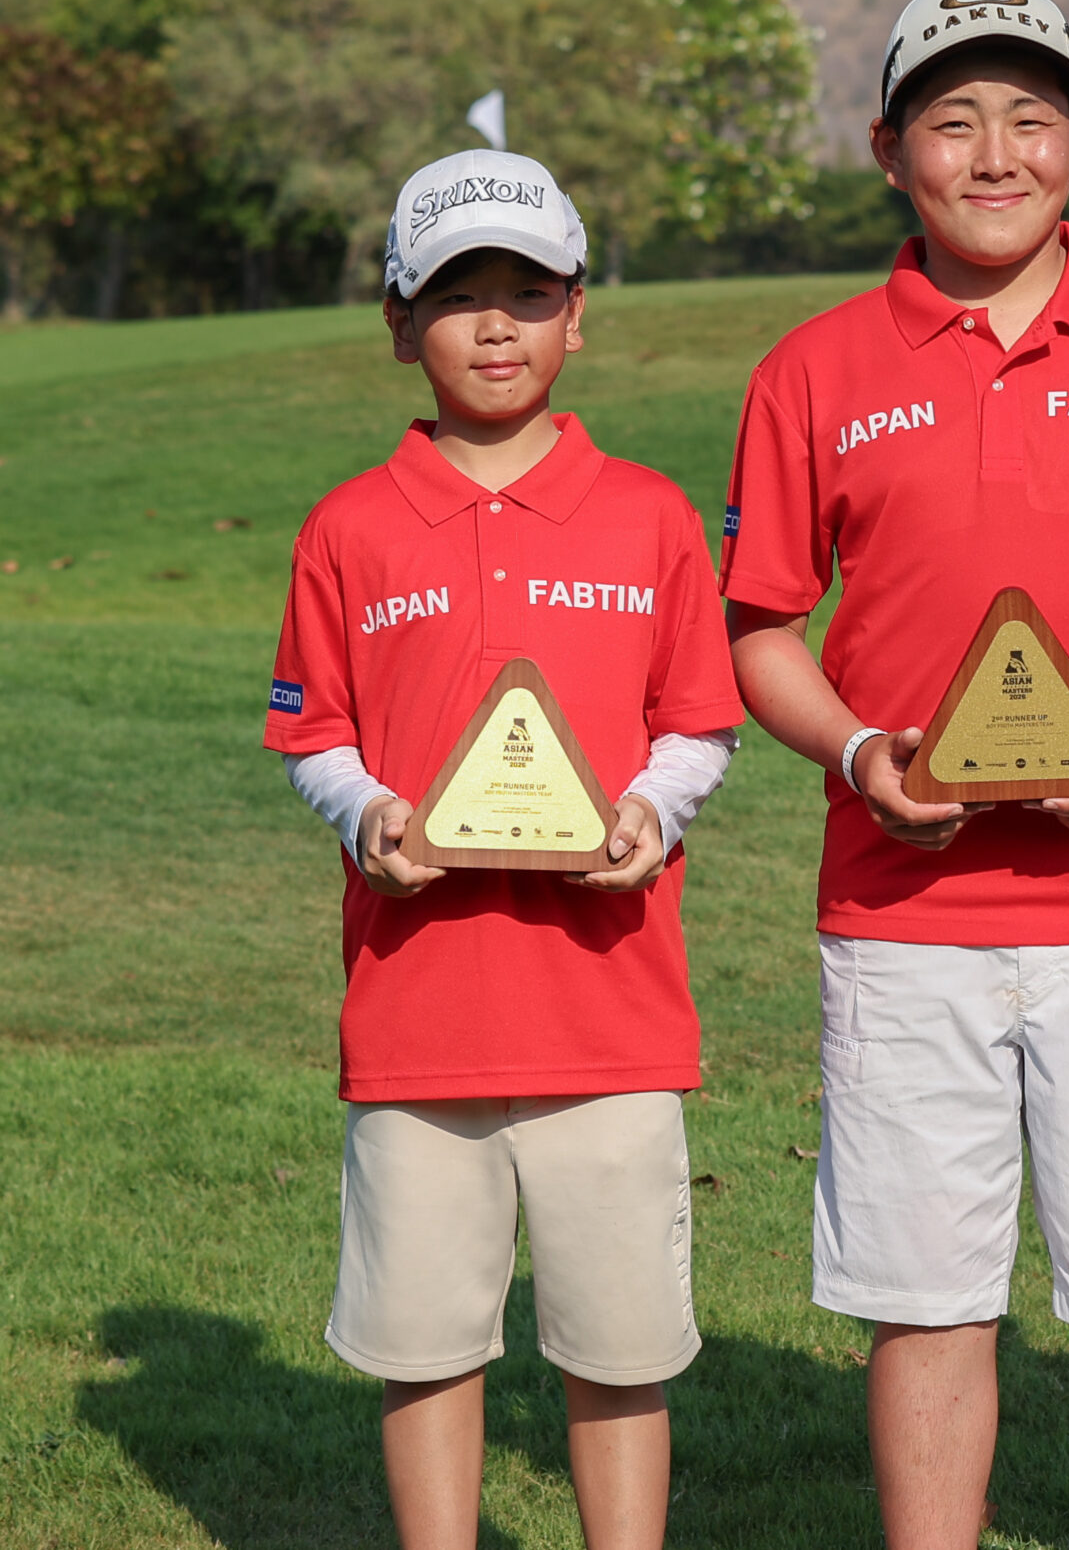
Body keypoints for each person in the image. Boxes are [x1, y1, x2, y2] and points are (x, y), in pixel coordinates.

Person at [719, 0, 1069, 1550]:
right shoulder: (813, 366)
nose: (994, 154)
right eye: (953, 121)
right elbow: (762, 627)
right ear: (888, 150)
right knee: (925, 1304)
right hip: (904, 916)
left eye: (1030, 118)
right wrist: (858, 752)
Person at [264, 149, 743, 1550]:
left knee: (619, 1348)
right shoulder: (349, 524)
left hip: (610, 1015)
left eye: (528, 294)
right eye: (456, 295)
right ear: (398, 322)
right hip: (418, 1017)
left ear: (576, 314)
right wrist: (368, 815)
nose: (494, 326)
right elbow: (312, 731)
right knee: (425, 1347)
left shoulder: (649, 512)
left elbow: (697, 723)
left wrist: (654, 812)